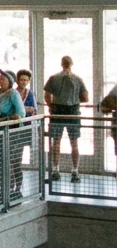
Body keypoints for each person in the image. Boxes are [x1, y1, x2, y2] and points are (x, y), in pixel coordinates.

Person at [44, 55, 88, 184]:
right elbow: (85, 98)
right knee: (74, 143)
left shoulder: (53, 78)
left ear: (61, 64)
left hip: (57, 111)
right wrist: (74, 99)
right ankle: (75, 171)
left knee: (56, 142)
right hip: (73, 112)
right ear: (71, 64)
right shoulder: (78, 79)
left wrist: (51, 106)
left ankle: (55, 170)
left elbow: (47, 95)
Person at [0, 70, 25, 206]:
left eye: (3, 79)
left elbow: (21, 113)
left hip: (10, 132)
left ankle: (12, 189)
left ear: (9, 81)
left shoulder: (13, 94)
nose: (0, 81)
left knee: (10, 160)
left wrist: (6, 119)